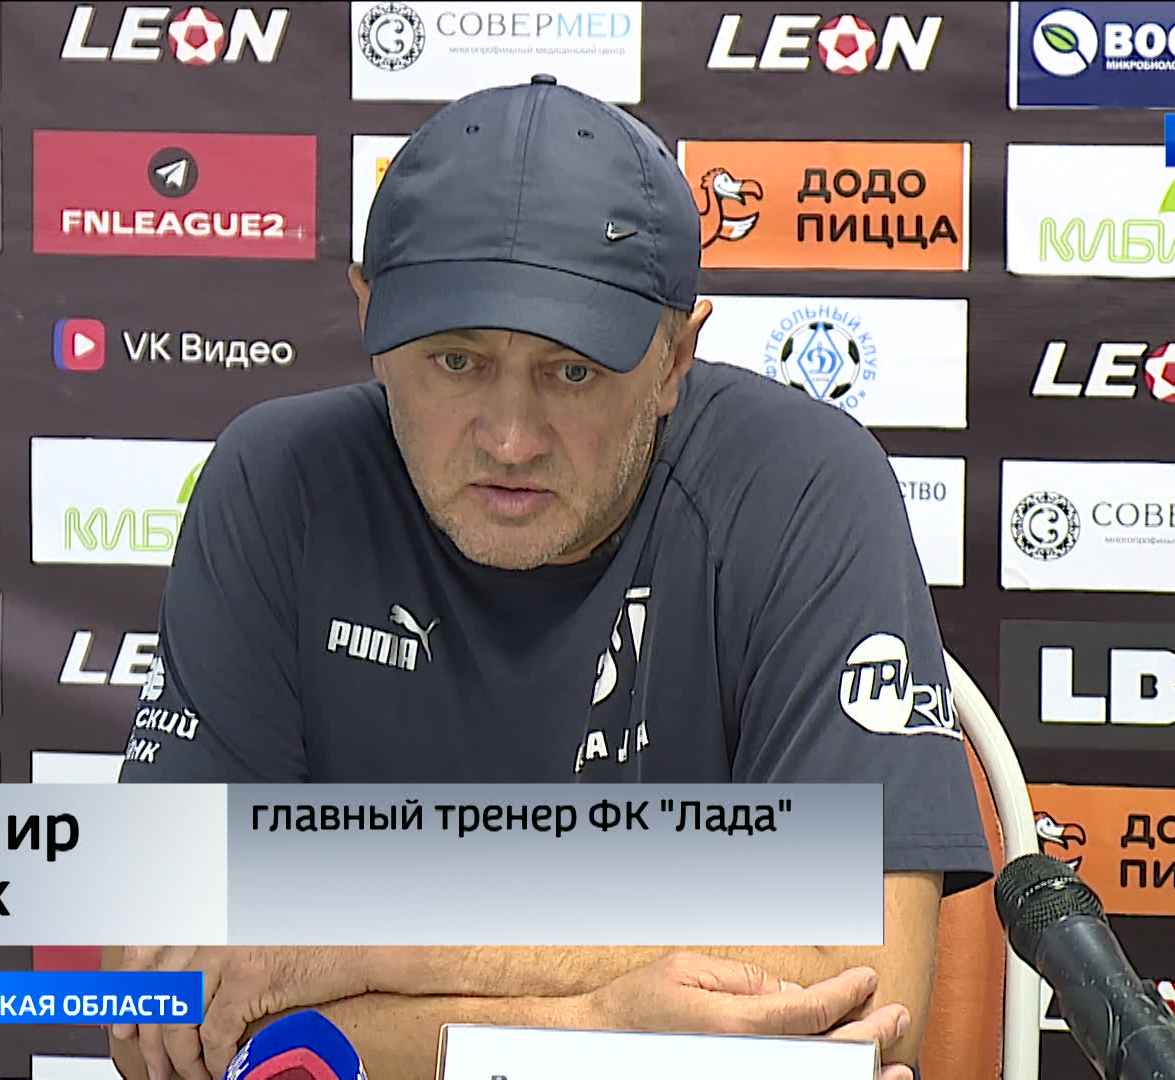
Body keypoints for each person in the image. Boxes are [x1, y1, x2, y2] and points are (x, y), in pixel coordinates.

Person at [106, 74, 991, 1080]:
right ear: (371, 318)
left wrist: (361, 946)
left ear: (675, 356)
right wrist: (600, 1029)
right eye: (457, 362)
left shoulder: (801, 485)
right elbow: (164, 1013)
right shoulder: (277, 481)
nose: (511, 438)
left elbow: (862, 989)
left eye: (573, 371)